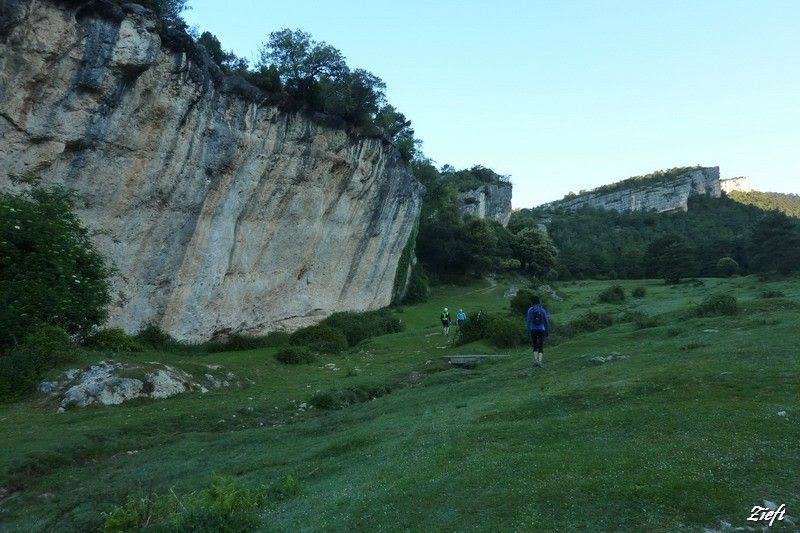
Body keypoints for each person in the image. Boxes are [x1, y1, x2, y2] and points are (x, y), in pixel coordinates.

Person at [526, 296, 549, 367]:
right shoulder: (542, 310)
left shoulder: (530, 310)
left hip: (533, 329)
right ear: (539, 302)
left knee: (535, 345)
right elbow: (546, 321)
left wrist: (528, 331)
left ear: (532, 303)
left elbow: (528, 321)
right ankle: (540, 361)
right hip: (541, 329)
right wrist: (547, 330)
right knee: (540, 345)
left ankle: (535, 361)